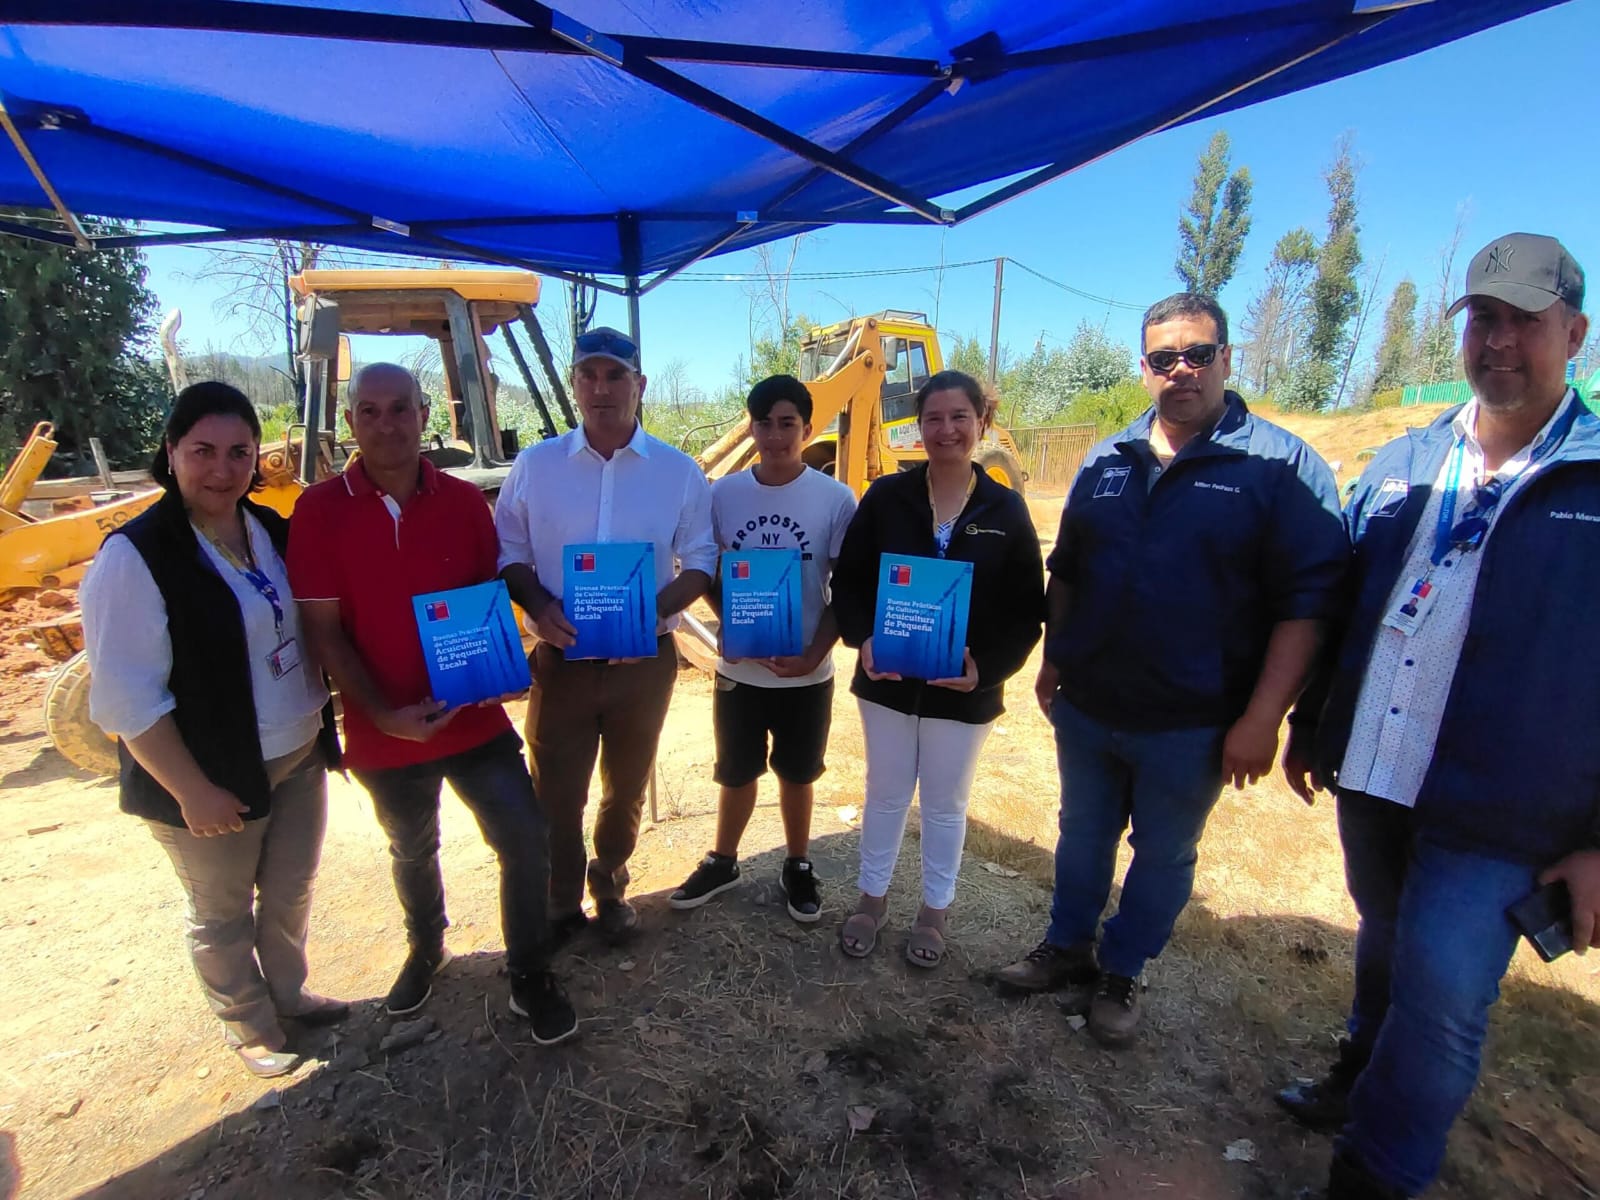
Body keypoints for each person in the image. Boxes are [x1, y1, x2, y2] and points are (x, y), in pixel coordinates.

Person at [1277, 234, 1598, 1200]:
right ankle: (1356, 1073)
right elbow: (1344, 597)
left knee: (1445, 1006)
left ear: (1574, 333)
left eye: (1522, 321)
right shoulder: (1405, 460)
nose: (1498, 340)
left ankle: (1372, 1181)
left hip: (1504, 809)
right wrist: (1311, 722)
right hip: (1377, 768)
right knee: (1385, 935)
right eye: (1483, 319)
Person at [994, 292, 1348, 1047]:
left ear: (1227, 357)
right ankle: (1066, 948)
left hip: (1193, 722)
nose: (1181, 370)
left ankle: (1122, 970)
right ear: (1145, 367)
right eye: (1164, 358)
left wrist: (1263, 718)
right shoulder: (1106, 460)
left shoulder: (1280, 468)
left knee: (1162, 852)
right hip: (1089, 705)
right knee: (1081, 834)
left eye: (1198, 353)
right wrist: (1055, 659)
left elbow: (1308, 607)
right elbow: (1072, 570)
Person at [288, 363, 576, 1045]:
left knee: (526, 840)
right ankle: (426, 947)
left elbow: (484, 602)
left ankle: (529, 972)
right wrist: (384, 716)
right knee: (412, 848)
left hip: (474, 718)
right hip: (384, 731)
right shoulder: (318, 511)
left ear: (424, 415)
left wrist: (505, 665)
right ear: (352, 421)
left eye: (399, 409)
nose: (385, 424)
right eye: (369, 411)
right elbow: (324, 630)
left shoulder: (461, 504)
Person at [81, 381, 345, 1079]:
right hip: (210, 774)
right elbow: (123, 696)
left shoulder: (270, 531)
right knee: (222, 910)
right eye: (203, 451)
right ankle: (250, 1026)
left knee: (290, 891)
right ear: (170, 452)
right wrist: (191, 790)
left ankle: (290, 996)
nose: (222, 470)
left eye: (238, 452)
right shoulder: (135, 557)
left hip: (297, 752)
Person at [497, 327, 717, 944]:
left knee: (624, 791)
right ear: (574, 386)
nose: (601, 388)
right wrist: (538, 605)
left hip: (643, 665)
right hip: (561, 662)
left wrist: (657, 611)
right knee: (555, 794)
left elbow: (701, 557)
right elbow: (508, 549)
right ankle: (561, 901)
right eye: (589, 375)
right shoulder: (535, 467)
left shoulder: (678, 472)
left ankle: (610, 882)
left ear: (638, 386)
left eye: (615, 375)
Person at [830, 369, 1043, 968]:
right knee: (886, 794)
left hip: (965, 690)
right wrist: (864, 639)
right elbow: (847, 583)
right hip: (888, 682)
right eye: (933, 418)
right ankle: (871, 902)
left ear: (983, 423)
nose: (945, 430)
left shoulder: (1007, 510)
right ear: (918, 426)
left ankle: (934, 912)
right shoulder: (884, 498)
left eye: (958, 417)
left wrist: (988, 668)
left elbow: (1028, 609)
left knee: (947, 803)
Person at [668, 375, 857, 921]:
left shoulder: (834, 498)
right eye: (764, 424)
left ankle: (798, 863)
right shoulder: (722, 494)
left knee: (799, 773)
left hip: (805, 671)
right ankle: (724, 859)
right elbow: (705, 570)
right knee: (736, 770)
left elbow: (845, 588)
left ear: (805, 427)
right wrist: (729, 621)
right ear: (751, 427)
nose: (775, 437)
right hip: (743, 671)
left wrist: (817, 653)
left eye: (787, 424)